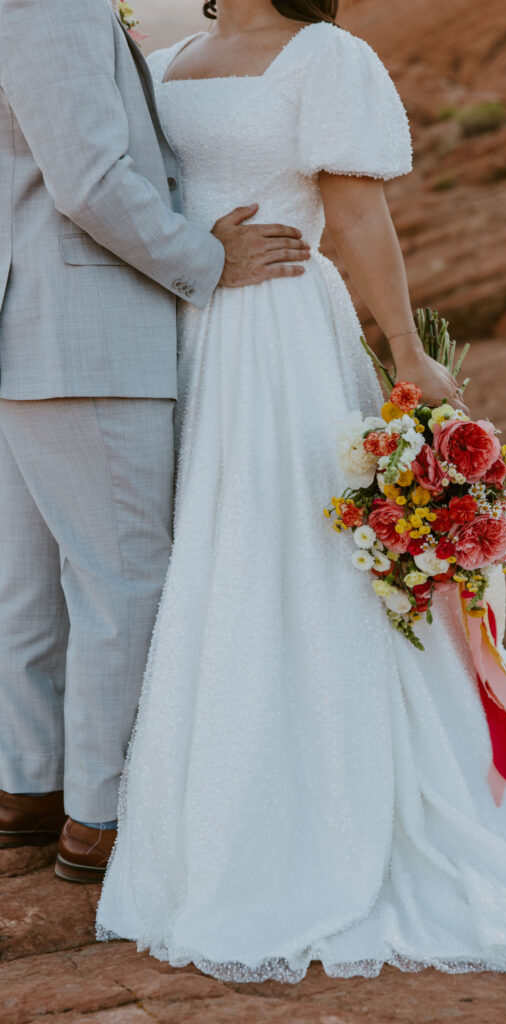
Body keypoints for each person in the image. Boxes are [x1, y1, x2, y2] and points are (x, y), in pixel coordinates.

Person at [96, 0, 506, 982]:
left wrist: (406, 351)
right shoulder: (178, 52)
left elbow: (359, 214)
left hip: (279, 338)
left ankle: (322, 806)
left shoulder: (324, 54)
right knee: (207, 561)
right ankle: (212, 809)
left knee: (286, 556)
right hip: (188, 326)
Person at [0, 0, 309, 882]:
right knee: (125, 577)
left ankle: (28, 789)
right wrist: (203, 260)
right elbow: (89, 180)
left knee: (29, 585)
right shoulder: (50, 8)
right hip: (86, 330)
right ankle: (104, 817)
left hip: (33, 330)